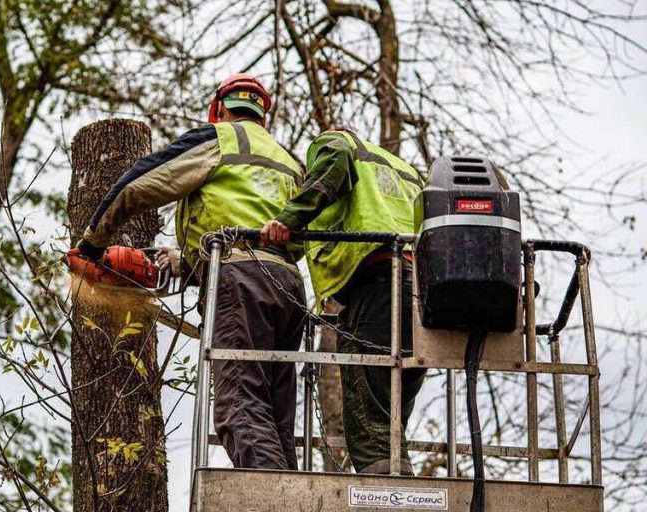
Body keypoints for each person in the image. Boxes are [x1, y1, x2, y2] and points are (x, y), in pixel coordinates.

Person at [75, 74, 307, 470]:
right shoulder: (289, 161)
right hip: (287, 286)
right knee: (275, 415)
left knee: (240, 408)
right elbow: (276, 233)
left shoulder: (219, 139)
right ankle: (290, 494)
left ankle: (270, 499)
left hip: (240, 281)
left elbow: (142, 180)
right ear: (262, 116)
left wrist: (93, 241)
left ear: (219, 109)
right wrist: (188, 263)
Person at [260, 128, 428, 475]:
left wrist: (287, 220)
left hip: (380, 286)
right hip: (423, 301)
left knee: (371, 426)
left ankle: (388, 499)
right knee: (390, 419)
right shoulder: (406, 171)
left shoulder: (336, 141)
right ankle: (401, 485)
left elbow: (333, 162)